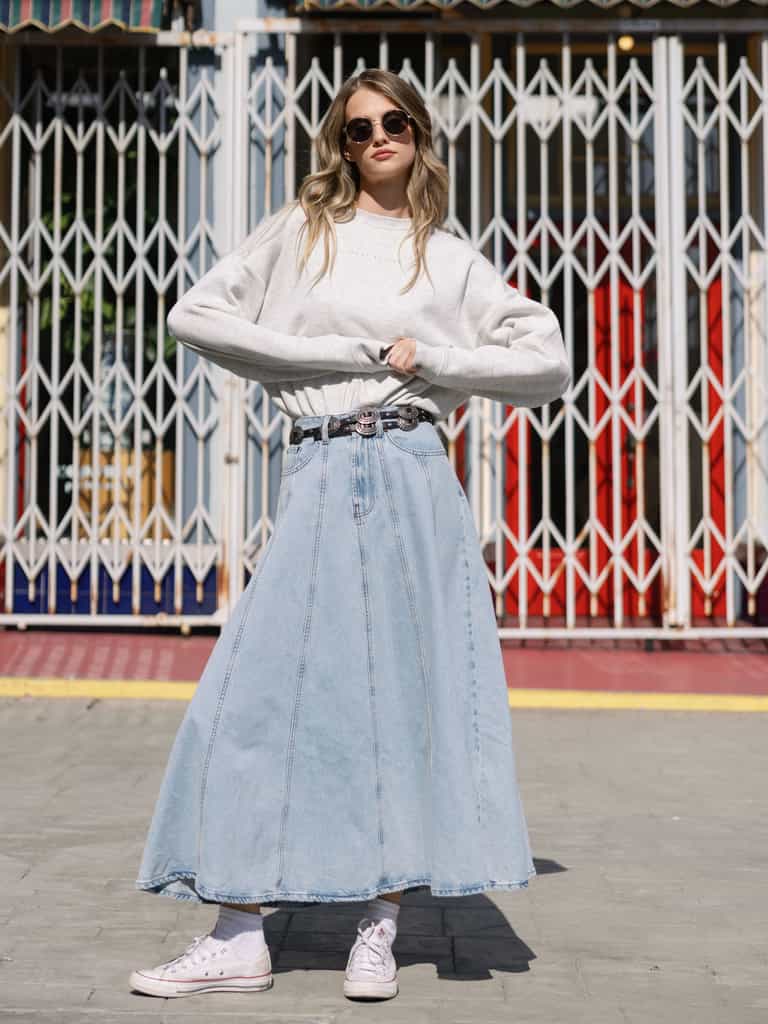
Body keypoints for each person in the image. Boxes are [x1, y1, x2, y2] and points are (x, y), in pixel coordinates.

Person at [129, 67, 570, 1003]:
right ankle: (238, 933)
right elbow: (195, 315)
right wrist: (351, 353)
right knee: (255, 699)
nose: (377, 137)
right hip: (323, 467)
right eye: (357, 126)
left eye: (395, 121)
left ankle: (381, 926)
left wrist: (439, 358)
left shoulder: (448, 259)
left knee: (407, 708)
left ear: (421, 132)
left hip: (414, 476)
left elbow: (548, 361)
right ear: (339, 143)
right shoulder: (302, 233)